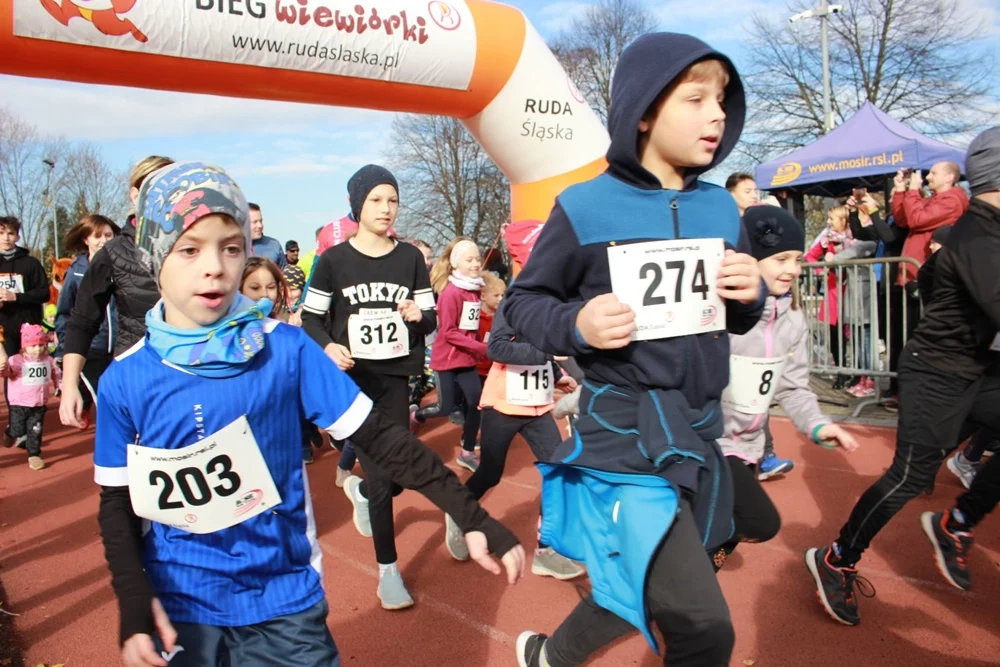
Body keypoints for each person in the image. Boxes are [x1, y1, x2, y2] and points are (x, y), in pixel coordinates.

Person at [94, 161, 524, 667]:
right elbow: (116, 504)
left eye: (232, 249)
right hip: (181, 600)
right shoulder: (124, 379)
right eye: (189, 250)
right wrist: (131, 601)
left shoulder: (288, 351)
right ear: (154, 257)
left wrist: (468, 513)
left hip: (284, 598)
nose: (215, 267)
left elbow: (386, 441)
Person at [503, 33, 766, 667]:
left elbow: (732, 316)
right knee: (705, 629)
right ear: (644, 111)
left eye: (723, 99)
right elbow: (520, 305)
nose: (716, 115)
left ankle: (549, 657)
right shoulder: (584, 205)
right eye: (695, 98)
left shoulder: (722, 211)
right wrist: (578, 326)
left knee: (648, 580)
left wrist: (748, 293)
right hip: (623, 437)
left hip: (701, 432)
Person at [805, 126, 1000, 627]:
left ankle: (958, 521)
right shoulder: (978, 233)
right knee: (910, 476)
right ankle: (837, 557)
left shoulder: (976, 233)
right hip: (936, 374)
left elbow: (934, 281)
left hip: (976, 368)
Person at [301, 164, 438, 610]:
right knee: (382, 477)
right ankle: (388, 572)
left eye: (392, 200)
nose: (386, 208)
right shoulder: (334, 262)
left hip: (396, 379)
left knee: (393, 474)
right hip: (353, 383)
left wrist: (420, 317)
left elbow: (431, 316)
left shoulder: (411, 259)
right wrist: (328, 347)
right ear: (357, 205)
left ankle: (359, 490)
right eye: (377, 200)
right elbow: (310, 318)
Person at [714, 206, 859, 568]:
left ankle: (682, 591)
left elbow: (794, 387)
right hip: (710, 444)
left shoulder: (793, 319)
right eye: (780, 259)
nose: (793, 269)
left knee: (724, 542)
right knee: (760, 522)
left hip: (749, 448)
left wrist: (817, 423)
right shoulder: (718, 313)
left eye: (796, 259)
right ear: (749, 260)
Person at [444, 302, 585, 580]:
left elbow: (546, 351)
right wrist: (548, 355)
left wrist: (558, 376)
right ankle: (458, 511)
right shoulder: (514, 303)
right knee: (490, 474)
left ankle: (545, 552)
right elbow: (497, 348)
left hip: (539, 407)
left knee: (558, 473)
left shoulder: (559, 305)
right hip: (503, 406)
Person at [59, 155, 171, 429]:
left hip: (194, 372)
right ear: (135, 195)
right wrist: (69, 384)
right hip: (139, 376)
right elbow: (83, 321)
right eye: (155, 189)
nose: (165, 198)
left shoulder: (196, 244)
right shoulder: (113, 253)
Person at [414, 238, 488, 473]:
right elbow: (449, 332)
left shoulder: (476, 290)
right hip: (446, 360)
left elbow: (472, 326)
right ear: (456, 264)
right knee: (445, 408)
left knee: (476, 403)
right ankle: (417, 414)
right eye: (469, 260)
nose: (476, 263)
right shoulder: (451, 293)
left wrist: (480, 344)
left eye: (478, 258)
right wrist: (481, 348)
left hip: (467, 360)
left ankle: (467, 452)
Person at [55, 214, 121, 424]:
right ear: (86, 239)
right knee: (108, 404)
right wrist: (67, 347)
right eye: (98, 236)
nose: (104, 240)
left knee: (125, 404)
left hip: (123, 347)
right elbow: (65, 312)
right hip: (91, 351)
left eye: (109, 235)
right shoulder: (76, 272)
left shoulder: (123, 266)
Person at [890, 162, 968, 285]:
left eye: (933, 173)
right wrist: (900, 190)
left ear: (949, 178)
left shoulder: (951, 201)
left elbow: (917, 220)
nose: (927, 177)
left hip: (931, 273)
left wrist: (913, 190)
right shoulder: (934, 199)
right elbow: (903, 220)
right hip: (917, 272)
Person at [1, 323, 60, 470]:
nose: (38, 349)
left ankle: (34, 455)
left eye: (41, 345)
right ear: (24, 346)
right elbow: (8, 373)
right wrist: (3, 369)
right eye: (33, 346)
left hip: (38, 404)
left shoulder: (48, 361)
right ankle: (10, 432)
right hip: (19, 404)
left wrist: (61, 386)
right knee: (18, 430)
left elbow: (56, 375)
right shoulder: (16, 360)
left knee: (35, 431)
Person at [0, 217, 50, 360]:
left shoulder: (31, 263)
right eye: (1, 233)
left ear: (17, 237)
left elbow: (44, 293)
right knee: (6, 373)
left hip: (29, 333)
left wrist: (16, 297)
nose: (6, 238)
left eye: (10, 233)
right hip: (3, 331)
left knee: (30, 376)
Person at [476, 271, 506, 382]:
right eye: (496, 295)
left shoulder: (502, 318)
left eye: (502, 295)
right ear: (483, 296)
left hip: (494, 370)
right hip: (477, 370)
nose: (501, 299)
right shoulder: (476, 318)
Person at [248, 203, 286, 268]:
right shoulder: (233, 247)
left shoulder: (274, 245)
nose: (260, 225)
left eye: (261, 221)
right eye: (255, 222)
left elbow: (284, 275)